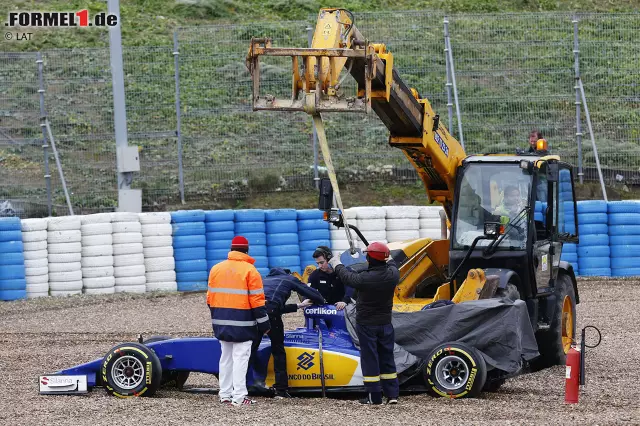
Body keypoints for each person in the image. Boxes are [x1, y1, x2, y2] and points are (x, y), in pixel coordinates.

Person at [328, 242, 400, 405]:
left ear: (370, 259)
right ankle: (392, 395)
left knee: (370, 359)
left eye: (368, 255)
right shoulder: (393, 275)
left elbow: (347, 277)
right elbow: (392, 262)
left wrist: (337, 263)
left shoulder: (365, 278)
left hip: (367, 324)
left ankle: (374, 397)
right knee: (387, 357)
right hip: (385, 323)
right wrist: (384, 253)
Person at [207, 235, 271, 407]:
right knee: (240, 359)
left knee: (225, 358)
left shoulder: (216, 269)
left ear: (231, 249)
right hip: (243, 323)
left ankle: (225, 395)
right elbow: (257, 302)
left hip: (220, 322)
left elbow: (209, 299)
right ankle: (240, 397)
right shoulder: (251, 271)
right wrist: (265, 325)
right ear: (247, 250)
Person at [262, 267, 325, 399]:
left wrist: (298, 306)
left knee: (250, 348)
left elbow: (274, 305)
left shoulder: (264, 280)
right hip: (271, 316)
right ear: (287, 274)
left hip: (254, 313)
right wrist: (321, 301)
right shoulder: (289, 278)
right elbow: (312, 293)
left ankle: (247, 385)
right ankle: (280, 389)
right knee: (278, 350)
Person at [308, 246, 351, 310]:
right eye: (317, 263)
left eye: (322, 262)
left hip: (342, 307)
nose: (320, 266)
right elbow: (308, 290)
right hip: (324, 308)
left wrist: (345, 301)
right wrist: (306, 299)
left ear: (329, 259)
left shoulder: (343, 271)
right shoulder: (315, 274)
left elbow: (351, 288)